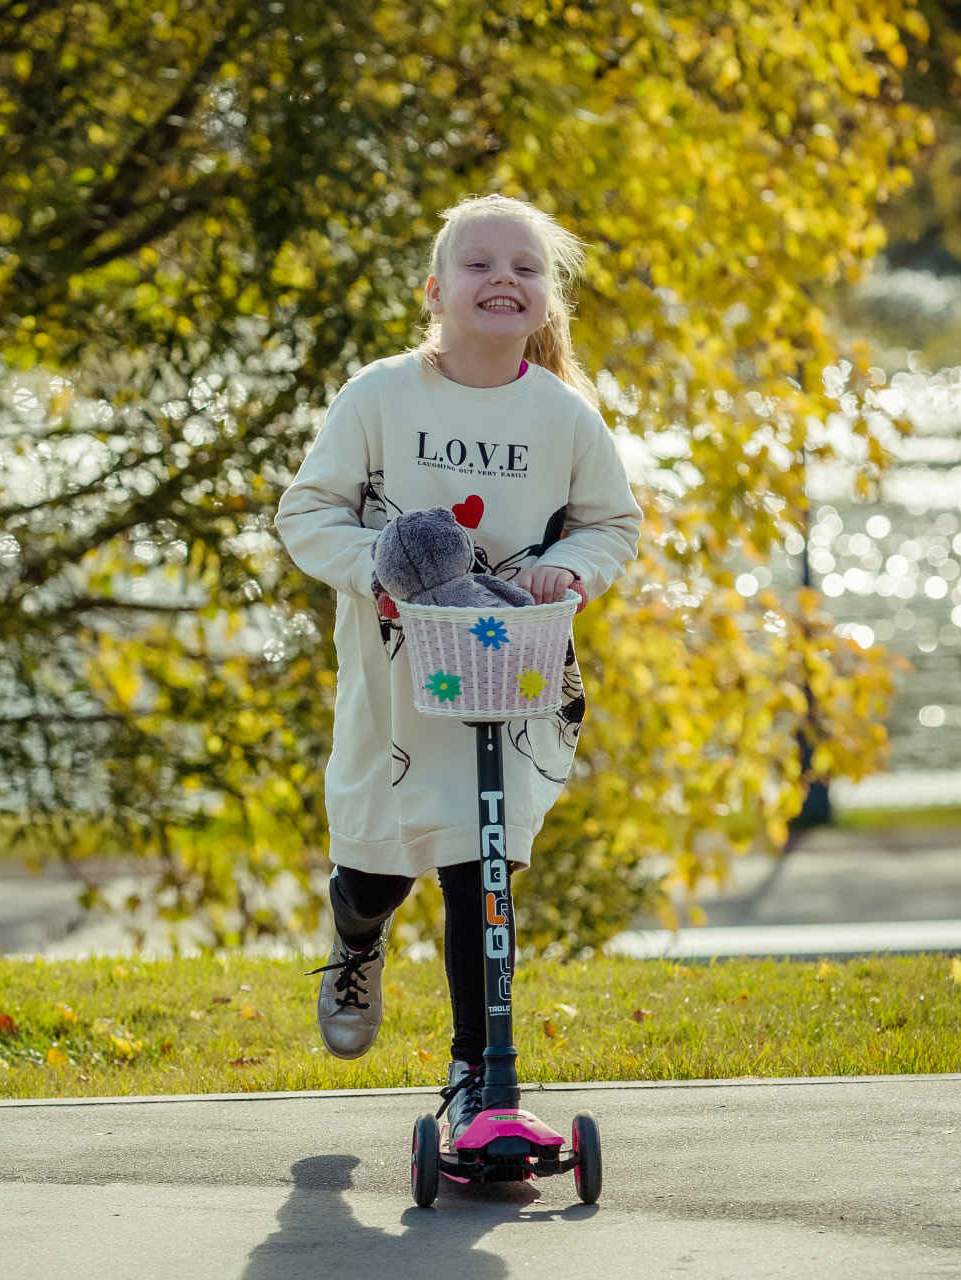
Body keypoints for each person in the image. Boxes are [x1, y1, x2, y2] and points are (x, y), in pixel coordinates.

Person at [275, 194, 641, 1137]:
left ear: (549, 297)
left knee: (481, 874)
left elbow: (612, 523)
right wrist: (378, 570)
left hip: (508, 680)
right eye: (479, 264)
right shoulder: (380, 396)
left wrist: (573, 570)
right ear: (435, 291)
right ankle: (356, 939)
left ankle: (479, 1077)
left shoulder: (564, 416)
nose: (503, 279)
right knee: (379, 872)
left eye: (526, 267)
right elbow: (306, 513)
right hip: (397, 680)